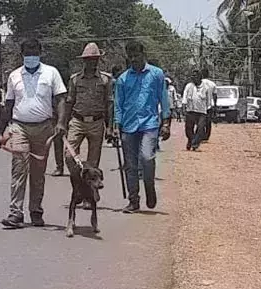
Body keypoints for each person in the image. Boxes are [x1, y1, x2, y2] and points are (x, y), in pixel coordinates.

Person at [0, 38, 68, 229]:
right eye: (27, 53)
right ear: (22, 54)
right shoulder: (14, 76)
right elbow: (9, 104)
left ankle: (36, 210)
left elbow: (61, 99)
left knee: (38, 172)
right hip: (19, 127)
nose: (31, 56)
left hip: (44, 128)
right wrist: (1, 132)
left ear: (40, 53)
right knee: (19, 169)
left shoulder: (51, 73)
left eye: (34, 52)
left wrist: (61, 122)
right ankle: (15, 213)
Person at [114, 40, 171, 214]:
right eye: (131, 56)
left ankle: (149, 185)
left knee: (147, 157)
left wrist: (166, 122)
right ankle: (133, 200)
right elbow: (118, 105)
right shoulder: (123, 79)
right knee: (130, 165)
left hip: (149, 124)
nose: (134, 59)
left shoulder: (156, 74)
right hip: (128, 125)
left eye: (137, 55)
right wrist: (116, 125)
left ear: (143, 54)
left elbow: (163, 99)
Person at [64, 42, 112, 169]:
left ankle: (89, 180)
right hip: (77, 121)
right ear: (84, 60)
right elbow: (69, 101)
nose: (92, 62)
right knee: (69, 156)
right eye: (89, 59)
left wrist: (110, 127)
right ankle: (78, 178)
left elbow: (109, 103)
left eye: (95, 59)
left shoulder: (105, 79)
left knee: (93, 163)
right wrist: (63, 123)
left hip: (97, 122)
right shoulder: (75, 79)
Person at [182, 70, 211, 151]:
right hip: (190, 110)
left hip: (202, 112)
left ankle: (195, 144)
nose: (193, 77)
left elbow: (208, 101)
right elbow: (184, 97)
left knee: (200, 128)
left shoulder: (206, 87)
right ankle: (191, 140)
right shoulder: (189, 86)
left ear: (200, 77)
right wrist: (183, 108)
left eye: (195, 76)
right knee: (188, 129)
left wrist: (209, 111)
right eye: (192, 76)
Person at [201, 68, 217, 141]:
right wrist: (215, 105)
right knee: (208, 122)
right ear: (208, 74)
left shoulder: (198, 83)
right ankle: (206, 137)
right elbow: (215, 95)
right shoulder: (212, 84)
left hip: (199, 106)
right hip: (209, 106)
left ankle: (202, 135)